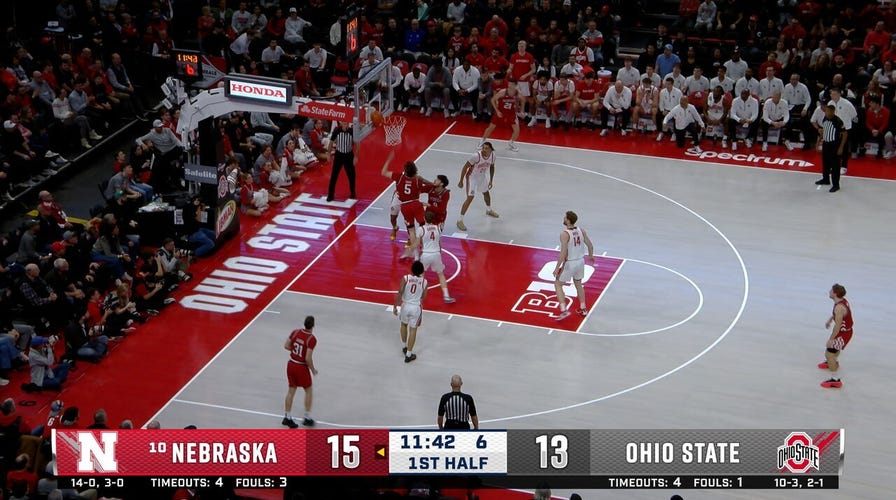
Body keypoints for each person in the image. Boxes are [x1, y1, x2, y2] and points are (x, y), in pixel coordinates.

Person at [381, 152, 432, 261]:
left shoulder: (399, 177)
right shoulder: (417, 180)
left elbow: (383, 172)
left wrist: (388, 160)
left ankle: (414, 251)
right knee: (421, 226)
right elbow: (426, 187)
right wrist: (434, 185)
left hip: (405, 205)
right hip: (410, 203)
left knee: (411, 229)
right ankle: (396, 229)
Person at [553, 211, 595, 321]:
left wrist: (557, 268)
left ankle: (564, 310)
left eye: (565, 217)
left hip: (570, 263)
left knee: (558, 284)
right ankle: (583, 308)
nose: (563, 218)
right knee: (578, 284)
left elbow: (563, 253)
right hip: (580, 261)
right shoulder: (582, 230)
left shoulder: (564, 234)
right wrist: (590, 255)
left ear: (568, 220)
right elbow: (590, 245)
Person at [283, 315, 318, 428]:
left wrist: (295, 351)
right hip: (300, 367)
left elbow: (286, 346)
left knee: (291, 391)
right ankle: (307, 417)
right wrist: (313, 369)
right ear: (313, 325)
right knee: (308, 390)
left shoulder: (295, 332)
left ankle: (287, 417)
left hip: (291, 363)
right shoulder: (311, 339)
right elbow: (307, 358)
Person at [456, 142, 499, 231]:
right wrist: (461, 180)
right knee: (470, 198)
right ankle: (459, 220)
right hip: (472, 178)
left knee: (486, 193)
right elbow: (465, 167)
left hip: (481, 176)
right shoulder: (476, 156)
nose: (484, 150)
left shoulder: (493, 156)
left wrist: (491, 179)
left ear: (491, 149)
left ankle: (488, 210)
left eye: (486, 148)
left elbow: (492, 167)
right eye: (483, 148)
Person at [416, 212, 456, 303]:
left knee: (421, 276)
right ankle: (446, 296)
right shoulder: (438, 228)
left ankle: (418, 297)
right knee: (441, 275)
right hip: (436, 254)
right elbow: (439, 242)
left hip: (426, 254)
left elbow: (418, 243)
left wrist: (412, 250)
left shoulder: (421, 229)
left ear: (424, 218)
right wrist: (440, 252)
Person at [819, 284, 852, 388]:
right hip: (845, 332)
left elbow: (837, 327)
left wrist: (831, 339)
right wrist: (830, 319)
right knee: (832, 350)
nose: (829, 291)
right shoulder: (842, 301)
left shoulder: (839, 308)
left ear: (835, 293)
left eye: (831, 290)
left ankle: (835, 379)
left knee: (829, 353)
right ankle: (832, 362)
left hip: (843, 334)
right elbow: (839, 315)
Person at [393, 260, 427, 363]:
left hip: (405, 305)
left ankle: (404, 346)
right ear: (422, 271)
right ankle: (408, 354)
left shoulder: (405, 278)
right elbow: (423, 297)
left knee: (403, 325)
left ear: (412, 269)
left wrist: (395, 306)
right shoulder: (424, 282)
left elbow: (399, 292)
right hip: (416, 307)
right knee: (413, 330)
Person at [480, 79, 522, 151]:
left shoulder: (518, 93)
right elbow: (492, 100)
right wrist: (497, 111)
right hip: (501, 112)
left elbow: (522, 101)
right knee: (491, 128)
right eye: (509, 84)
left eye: (511, 84)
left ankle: (511, 143)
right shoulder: (503, 92)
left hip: (511, 114)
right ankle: (482, 141)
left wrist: (521, 110)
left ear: (515, 85)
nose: (510, 85)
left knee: (517, 130)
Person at [815, 102, 847, 193]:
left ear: (833, 112)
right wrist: (818, 142)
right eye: (826, 111)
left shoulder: (838, 121)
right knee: (825, 163)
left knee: (835, 166)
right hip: (826, 144)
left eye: (828, 111)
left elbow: (845, 134)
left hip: (834, 145)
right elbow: (823, 130)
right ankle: (826, 179)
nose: (826, 112)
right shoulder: (825, 119)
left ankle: (836, 185)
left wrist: (841, 147)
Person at [327, 121, 358, 202]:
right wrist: (328, 154)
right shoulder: (337, 130)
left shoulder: (352, 131)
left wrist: (356, 156)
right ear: (341, 124)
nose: (345, 125)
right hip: (339, 155)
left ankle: (352, 193)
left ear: (348, 124)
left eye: (346, 123)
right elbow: (331, 142)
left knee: (352, 175)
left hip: (349, 155)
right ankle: (330, 195)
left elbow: (358, 144)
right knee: (334, 175)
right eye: (344, 123)